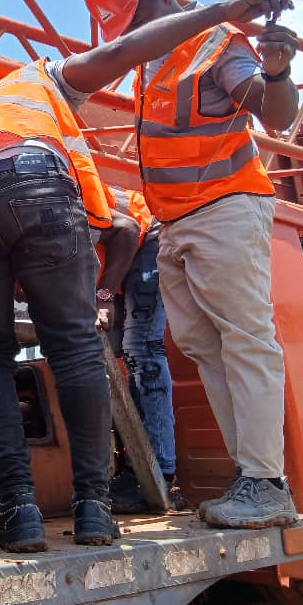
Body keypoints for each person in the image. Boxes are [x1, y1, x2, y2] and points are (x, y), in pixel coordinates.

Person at [0, 0, 295, 551]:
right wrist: (93, 293)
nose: (126, 37)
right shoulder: (43, 80)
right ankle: (94, 509)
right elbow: (113, 218)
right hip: (63, 193)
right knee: (72, 346)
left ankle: (17, 512)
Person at [82, 0, 300, 529]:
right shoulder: (151, 58)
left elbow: (272, 113)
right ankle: (253, 477)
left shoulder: (218, 43)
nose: (130, 33)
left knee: (246, 337)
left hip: (225, 207)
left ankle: (264, 482)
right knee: (205, 346)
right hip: (176, 222)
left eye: (132, 19)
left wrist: (277, 71)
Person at [97, 186, 183, 513]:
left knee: (142, 349)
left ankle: (159, 470)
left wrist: (103, 295)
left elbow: (128, 229)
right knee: (132, 354)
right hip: (135, 243)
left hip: (148, 235)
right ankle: (141, 466)